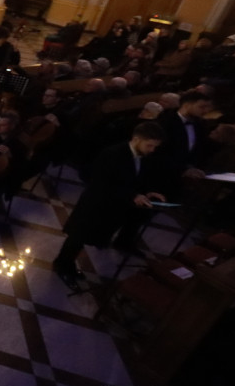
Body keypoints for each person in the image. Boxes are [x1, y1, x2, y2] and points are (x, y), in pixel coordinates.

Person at [51, 122, 167, 290]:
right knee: (77, 238)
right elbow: (102, 182)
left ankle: (68, 265)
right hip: (95, 205)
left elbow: (135, 180)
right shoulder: (113, 154)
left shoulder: (143, 157)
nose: (152, 150)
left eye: (155, 147)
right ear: (136, 139)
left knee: (87, 238)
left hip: (113, 208)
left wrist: (147, 193)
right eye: (150, 145)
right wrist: (132, 195)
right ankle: (62, 265)